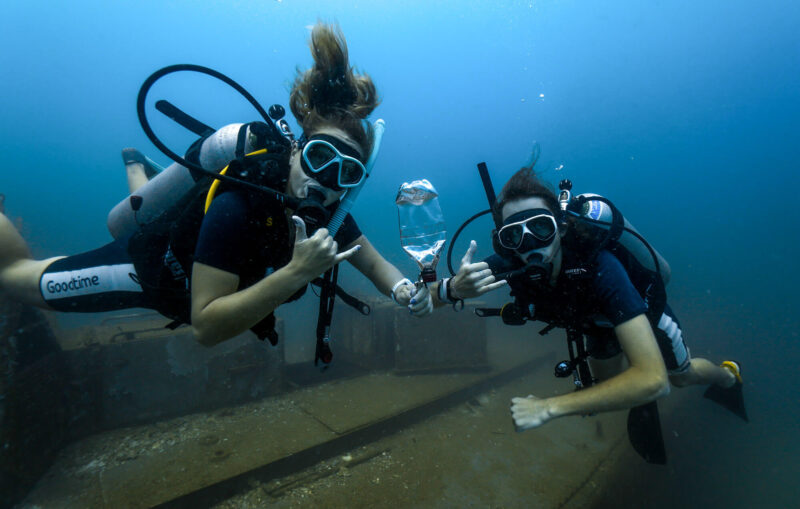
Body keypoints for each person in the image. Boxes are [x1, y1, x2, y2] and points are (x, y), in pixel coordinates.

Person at [0, 22, 433, 348]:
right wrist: (297, 272)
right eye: (321, 158)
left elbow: (376, 266)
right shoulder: (239, 205)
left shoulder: (329, 217)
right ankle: (137, 177)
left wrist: (403, 290)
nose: (325, 182)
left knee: (133, 201)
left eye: (347, 174)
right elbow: (206, 325)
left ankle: (136, 166)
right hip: (147, 274)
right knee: (18, 279)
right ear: (297, 149)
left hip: (185, 248)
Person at [430, 164, 743, 431]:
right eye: (514, 235)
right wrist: (452, 289)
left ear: (562, 228)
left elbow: (654, 379)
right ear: (504, 243)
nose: (529, 244)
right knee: (605, 388)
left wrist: (549, 407)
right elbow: (430, 297)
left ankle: (728, 376)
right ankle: (632, 394)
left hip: (641, 313)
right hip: (594, 324)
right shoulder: (510, 263)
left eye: (541, 227)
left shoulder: (600, 268)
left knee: (680, 377)